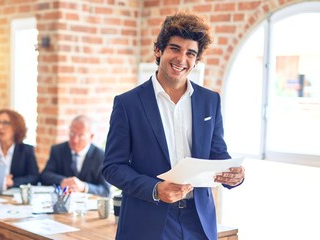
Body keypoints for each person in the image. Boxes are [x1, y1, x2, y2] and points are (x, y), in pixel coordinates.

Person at [102, 12, 246, 240]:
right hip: (146, 221)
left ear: (196, 60)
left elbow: (217, 155)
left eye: (190, 53)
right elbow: (112, 167)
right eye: (175, 49)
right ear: (158, 51)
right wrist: (155, 189)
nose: (182, 59)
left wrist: (233, 175)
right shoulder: (128, 103)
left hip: (198, 220)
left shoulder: (211, 101)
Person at [41, 115, 110, 197]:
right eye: (72, 133)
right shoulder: (58, 150)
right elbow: (45, 176)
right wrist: (62, 181)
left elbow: (106, 190)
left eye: (81, 136)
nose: (75, 140)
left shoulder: (101, 156)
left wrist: (84, 187)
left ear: (91, 137)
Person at [0, 109, 39, 188]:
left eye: (6, 123)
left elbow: (34, 177)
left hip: (16, 196)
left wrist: (13, 182)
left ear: (16, 127)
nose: (0, 127)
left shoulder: (26, 151)